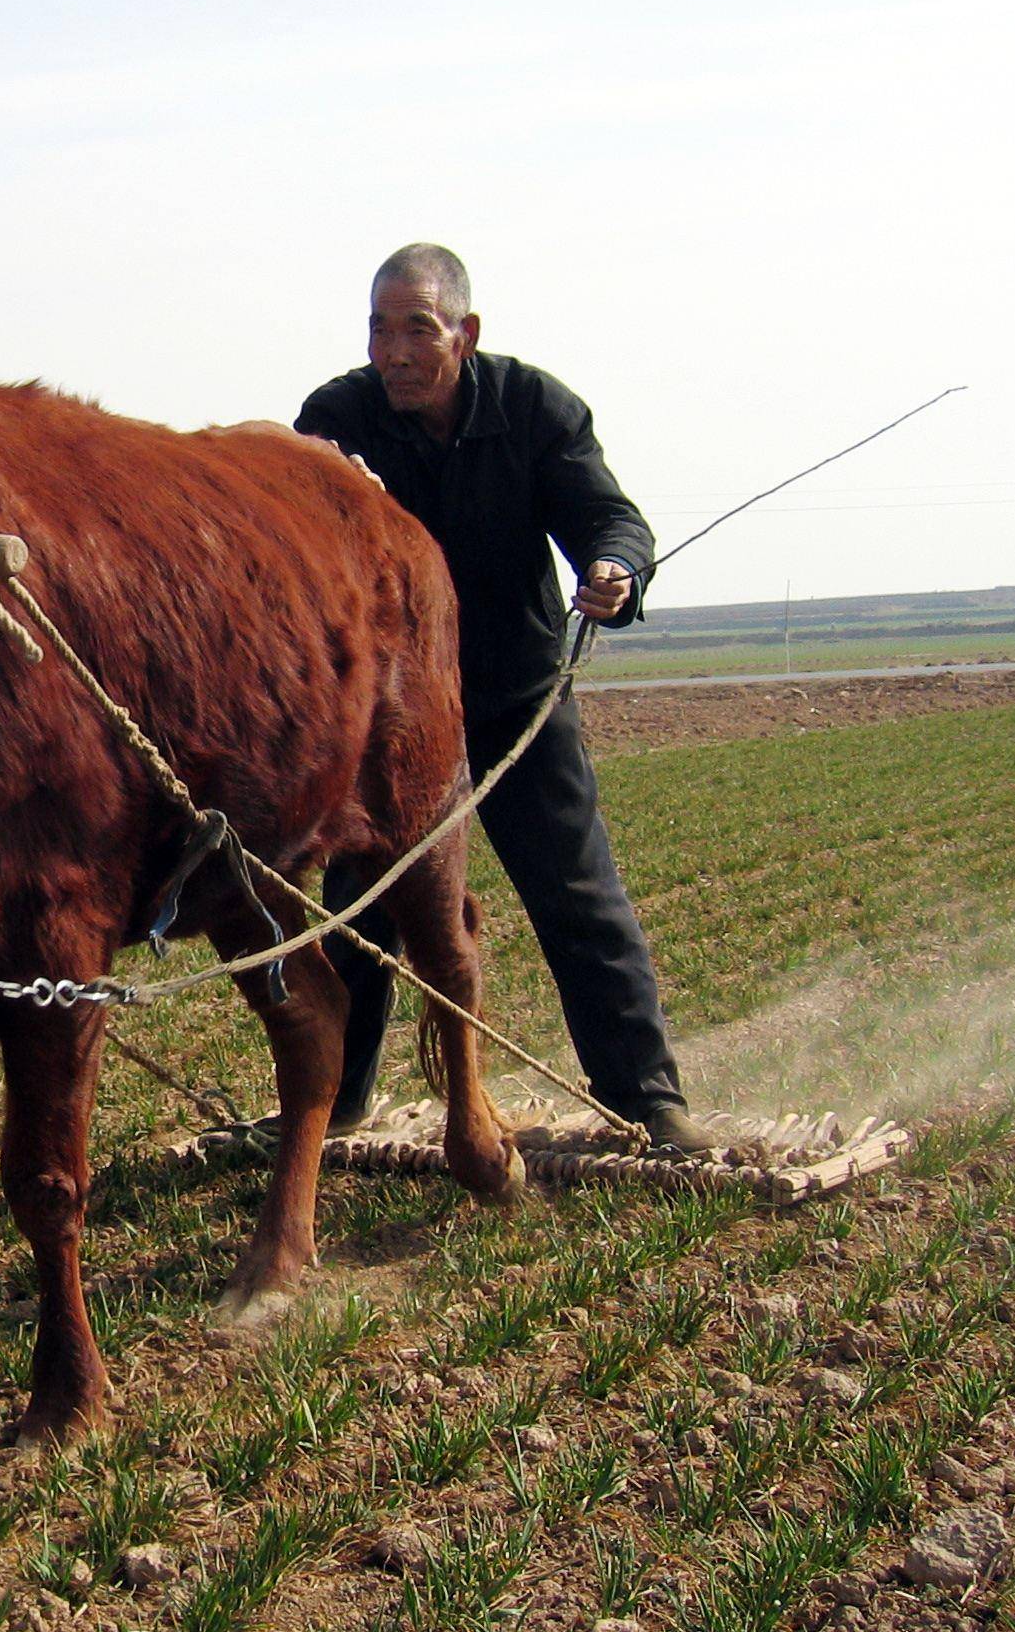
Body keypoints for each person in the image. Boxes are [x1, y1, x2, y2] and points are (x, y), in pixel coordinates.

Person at [296, 243, 715, 1154]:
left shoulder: (535, 409)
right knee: (358, 907)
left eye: (418, 327)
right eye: (379, 329)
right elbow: (289, 505)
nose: (395, 350)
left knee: (574, 892)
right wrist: (321, 485)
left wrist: (616, 570)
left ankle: (646, 1100)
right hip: (393, 718)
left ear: (466, 333)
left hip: (512, 697)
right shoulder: (340, 416)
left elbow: (611, 518)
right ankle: (338, 1102)